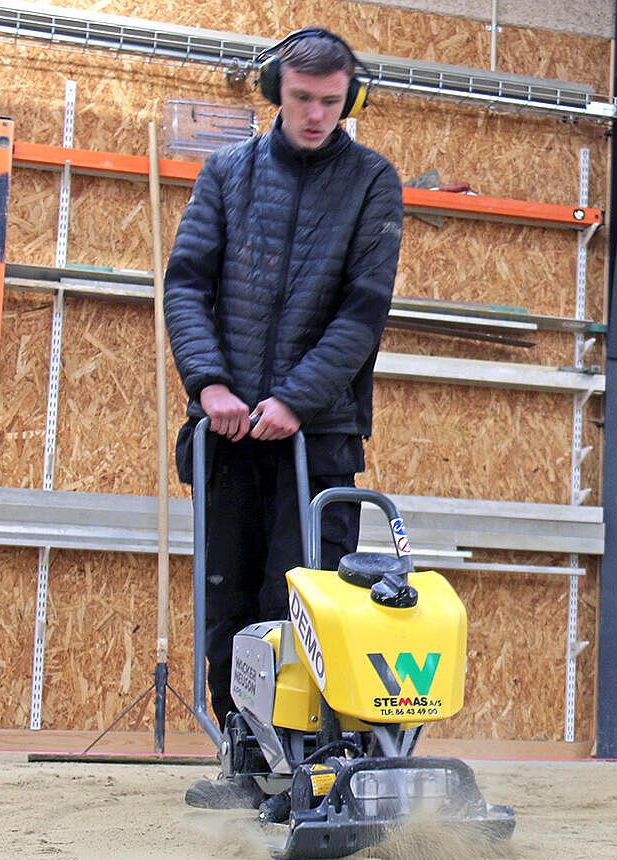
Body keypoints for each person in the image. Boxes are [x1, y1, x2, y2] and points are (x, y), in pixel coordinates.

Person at [164, 27, 402, 805]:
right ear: (275, 90)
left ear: (350, 100)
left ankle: (307, 756)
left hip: (318, 437)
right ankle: (242, 753)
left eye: (332, 102)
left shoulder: (372, 182)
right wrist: (209, 385)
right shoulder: (227, 174)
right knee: (229, 600)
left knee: (304, 598)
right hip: (228, 434)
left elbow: (363, 312)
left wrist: (296, 398)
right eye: (301, 98)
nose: (315, 115)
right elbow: (186, 285)